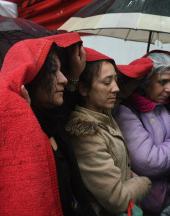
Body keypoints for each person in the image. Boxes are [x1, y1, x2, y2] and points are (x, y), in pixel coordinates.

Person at [0, 33, 95, 215]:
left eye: (62, 71)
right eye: (54, 72)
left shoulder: (51, 121)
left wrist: (75, 74)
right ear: (30, 79)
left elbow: (62, 111)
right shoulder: (5, 131)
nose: (64, 79)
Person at [113, 50, 170, 215]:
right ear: (145, 82)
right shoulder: (127, 111)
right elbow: (149, 162)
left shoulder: (169, 108)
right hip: (146, 206)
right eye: (163, 82)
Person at [65, 47, 151, 215]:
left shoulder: (102, 112)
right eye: (107, 82)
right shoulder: (85, 133)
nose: (115, 88)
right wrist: (144, 182)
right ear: (83, 89)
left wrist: (141, 71)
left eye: (116, 80)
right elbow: (118, 200)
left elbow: (123, 90)